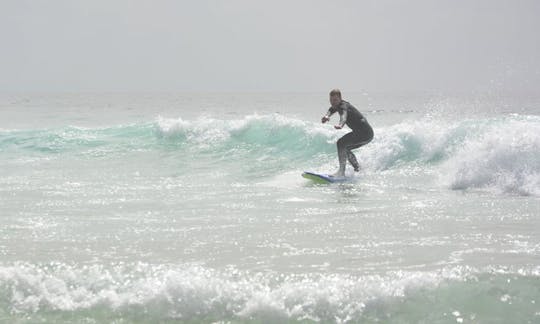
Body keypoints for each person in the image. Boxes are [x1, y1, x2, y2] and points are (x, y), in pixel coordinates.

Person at [321, 89, 374, 177]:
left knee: (341, 143)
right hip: (367, 134)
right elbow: (331, 109)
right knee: (346, 148)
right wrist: (327, 116)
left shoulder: (343, 106)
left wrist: (341, 125)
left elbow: (343, 116)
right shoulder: (337, 105)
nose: (333, 102)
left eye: (335, 100)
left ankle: (341, 172)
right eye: (331, 100)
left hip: (364, 133)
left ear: (340, 98)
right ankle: (357, 169)